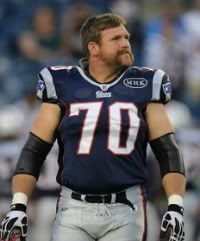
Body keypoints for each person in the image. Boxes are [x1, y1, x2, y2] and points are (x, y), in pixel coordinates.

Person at [0, 13, 185, 241]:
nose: (126, 43)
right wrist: (19, 204)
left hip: (127, 207)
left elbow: (167, 149)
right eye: (116, 38)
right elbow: (35, 149)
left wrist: (175, 206)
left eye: (126, 37)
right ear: (93, 48)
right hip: (73, 207)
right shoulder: (62, 82)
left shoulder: (146, 83)